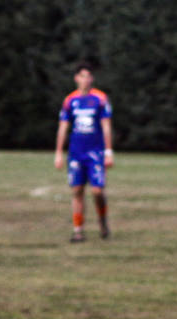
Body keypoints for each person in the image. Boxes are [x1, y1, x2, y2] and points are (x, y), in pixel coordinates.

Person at [54, 63, 114, 242]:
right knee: (77, 190)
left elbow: (106, 126)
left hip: (95, 152)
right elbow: (63, 128)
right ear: (76, 78)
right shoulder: (70, 100)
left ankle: (103, 221)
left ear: (92, 79)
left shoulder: (100, 99)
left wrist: (109, 151)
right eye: (82, 76)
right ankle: (78, 230)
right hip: (76, 152)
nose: (85, 80)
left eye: (88, 76)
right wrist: (58, 152)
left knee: (97, 191)